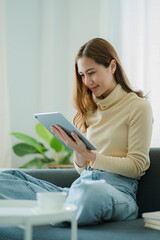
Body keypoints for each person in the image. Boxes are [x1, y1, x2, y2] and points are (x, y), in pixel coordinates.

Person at [0, 38, 153, 226]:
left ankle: (52, 213)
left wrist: (90, 154)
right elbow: (82, 170)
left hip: (117, 192)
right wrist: (80, 153)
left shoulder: (138, 107)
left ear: (112, 66)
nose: (87, 81)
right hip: (78, 190)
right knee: (5, 178)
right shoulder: (90, 109)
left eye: (91, 73)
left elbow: (137, 166)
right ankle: (62, 211)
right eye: (82, 75)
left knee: (91, 193)